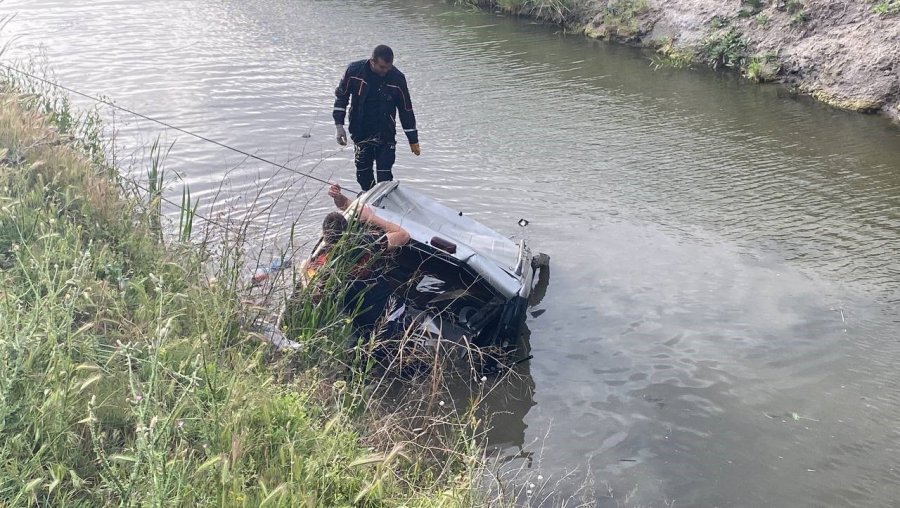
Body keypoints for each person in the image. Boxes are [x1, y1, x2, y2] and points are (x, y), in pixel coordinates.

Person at [302, 183, 411, 338]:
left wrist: (303, 272)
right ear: (347, 232)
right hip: (395, 313)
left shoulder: (322, 263)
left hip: (368, 328)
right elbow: (403, 235)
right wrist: (370, 217)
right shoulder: (366, 244)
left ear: (324, 236)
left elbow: (314, 296)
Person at [333, 45, 420, 191]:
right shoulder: (354, 71)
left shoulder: (397, 78)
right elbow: (341, 97)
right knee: (363, 174)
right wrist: (339, 126)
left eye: (389, 67)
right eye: (382, 67)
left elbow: (406, 110)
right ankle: (367, 201)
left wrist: (413, 139)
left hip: (386, 133)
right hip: (361, 131)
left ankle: (385, 205)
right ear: (372, 61)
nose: (385, 71)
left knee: (385, 179)